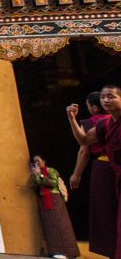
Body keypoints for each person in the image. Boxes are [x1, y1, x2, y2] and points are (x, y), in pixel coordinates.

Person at [66, 85, 121, 259]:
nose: (106, 100)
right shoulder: (105, 123)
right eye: (103, 97)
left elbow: (84, 151)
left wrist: (76, 173)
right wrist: (71, 118)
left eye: (111, 96)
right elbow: (84, 140)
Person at [29, 155, 79, 258]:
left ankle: (70, 252)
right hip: (44, 200)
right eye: (35, 162)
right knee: (50, 226)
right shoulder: (37, 173)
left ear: (44, 161)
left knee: (61, 224)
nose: (37, 164)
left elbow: (53, 183)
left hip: (54, 199)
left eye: (38, 161)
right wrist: (35, 175)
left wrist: (41, 176)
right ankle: (56, 252)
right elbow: (35, 185)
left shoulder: (51, 170)